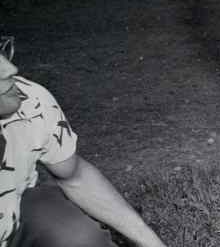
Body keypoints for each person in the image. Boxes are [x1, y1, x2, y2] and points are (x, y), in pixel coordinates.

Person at [0, 36, 166, 247]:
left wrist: (151, 242)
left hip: (11, 222)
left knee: (73, 234)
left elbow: (74, 177)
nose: (10, 69)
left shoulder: (29, 101)